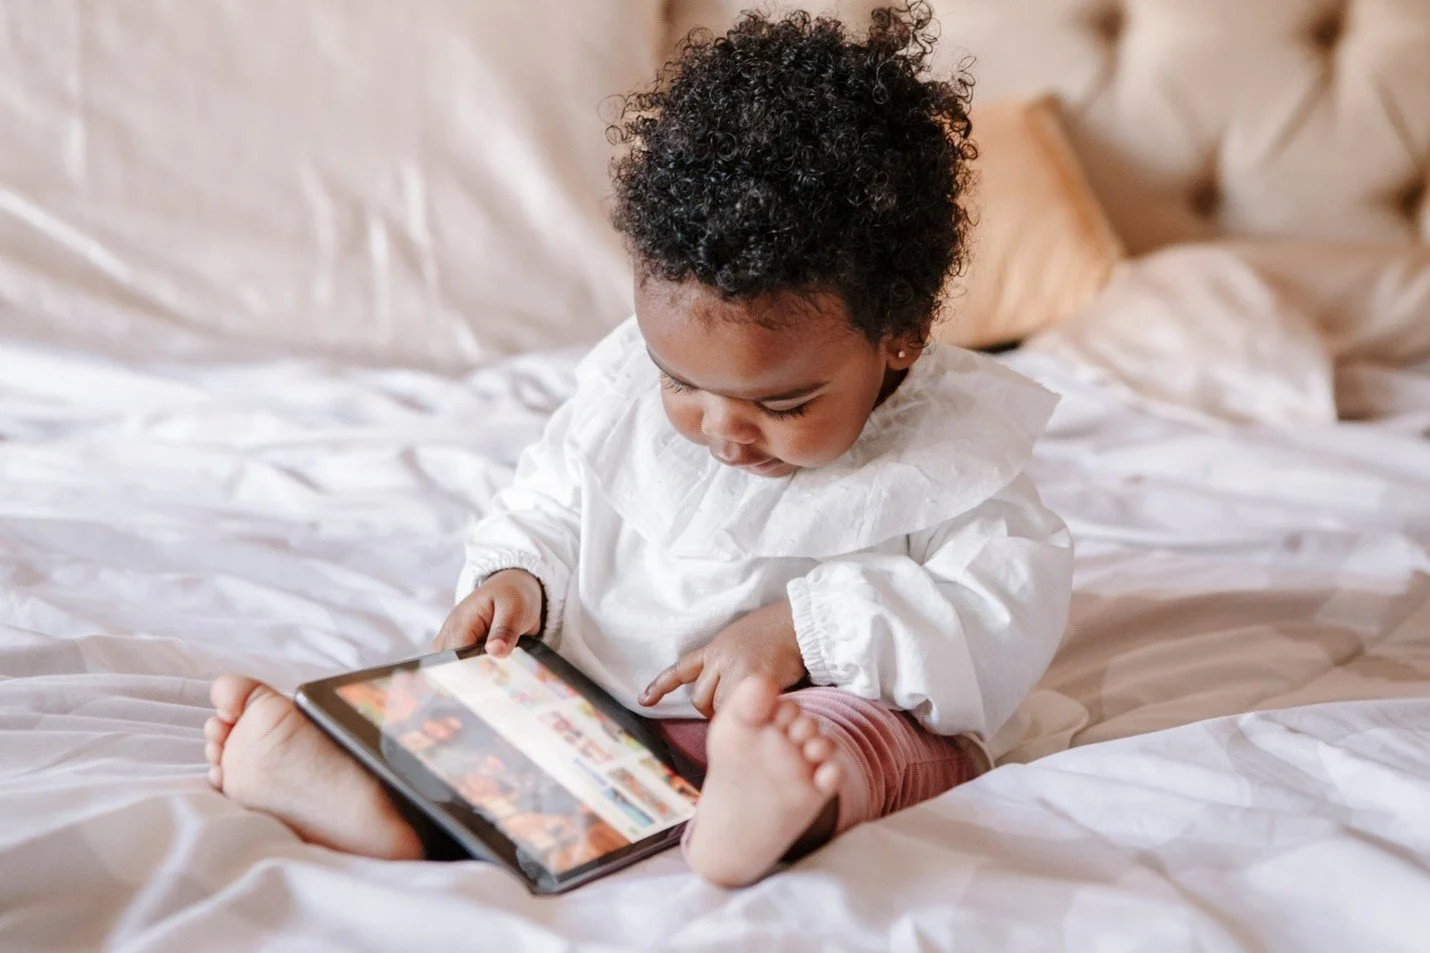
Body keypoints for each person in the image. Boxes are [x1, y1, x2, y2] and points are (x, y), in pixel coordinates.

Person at [202, 1, 1073, 887]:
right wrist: (520, 576)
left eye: (782, 402)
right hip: (602, 711)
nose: (722, 430)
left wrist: (804, 631)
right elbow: (552, 495)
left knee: (873, 741)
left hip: (801, 713)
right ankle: (363, 792)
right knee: (484, 713)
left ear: (900, 336)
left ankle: (767, 802)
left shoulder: (951, 452)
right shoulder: (626, 390)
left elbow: (997, 608)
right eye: (680, 383)